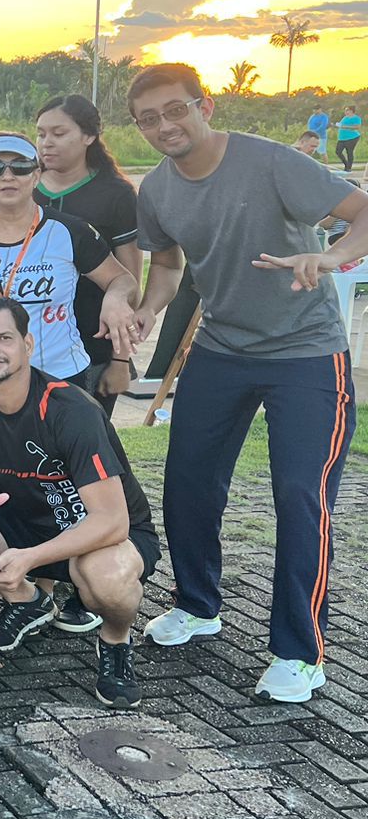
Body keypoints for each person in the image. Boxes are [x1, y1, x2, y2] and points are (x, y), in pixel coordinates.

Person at [127, 63, 367, 702]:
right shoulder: (157, 189)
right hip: (220, 349)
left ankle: (300, 652)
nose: (163, 126)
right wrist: (148, 309)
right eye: (148, 119)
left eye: (175, 109)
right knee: (188, 483)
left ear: (204, 105)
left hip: (305, 353)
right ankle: (197, 606)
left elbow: (362, 213)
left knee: (299, 495)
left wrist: (331, 256)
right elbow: (168, 263)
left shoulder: (272, 162)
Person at [0, 298, 159, 708]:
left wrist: (28, 558)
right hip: (22, 527)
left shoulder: (71, 409)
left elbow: (112, 521)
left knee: (105, 576)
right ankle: (28, 601)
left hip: (100, 537)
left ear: (27, 344)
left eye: (4, 338)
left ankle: (115, 641)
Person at [0, 132, 138, 396]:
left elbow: (122, 279)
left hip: (59, 378)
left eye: (20, 166)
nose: (7, 176)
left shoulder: (69, 231)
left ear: (36, 175)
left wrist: (116, 298)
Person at [34, 95, 141, 416]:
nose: (46, 143)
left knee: (84, 440)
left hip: (92, 351)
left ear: (89, 136)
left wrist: (119, 361)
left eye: (59, 133)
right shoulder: (25, 188)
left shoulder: (116, 194)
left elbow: (130, 286)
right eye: (41, 134)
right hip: (28, 351)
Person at [336, 105, 361, 172]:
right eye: (345, 110)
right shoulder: (345, 118)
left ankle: (348, 168)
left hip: (352, 137)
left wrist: (345, 126)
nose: (346, 112)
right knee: (338, 151)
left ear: (352, 111)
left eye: (347, 110)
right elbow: (341, 125)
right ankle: (346, 164)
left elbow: (357, 127)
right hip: (342, 138)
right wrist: (338, 125)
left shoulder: (356, 118)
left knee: (349, 152)